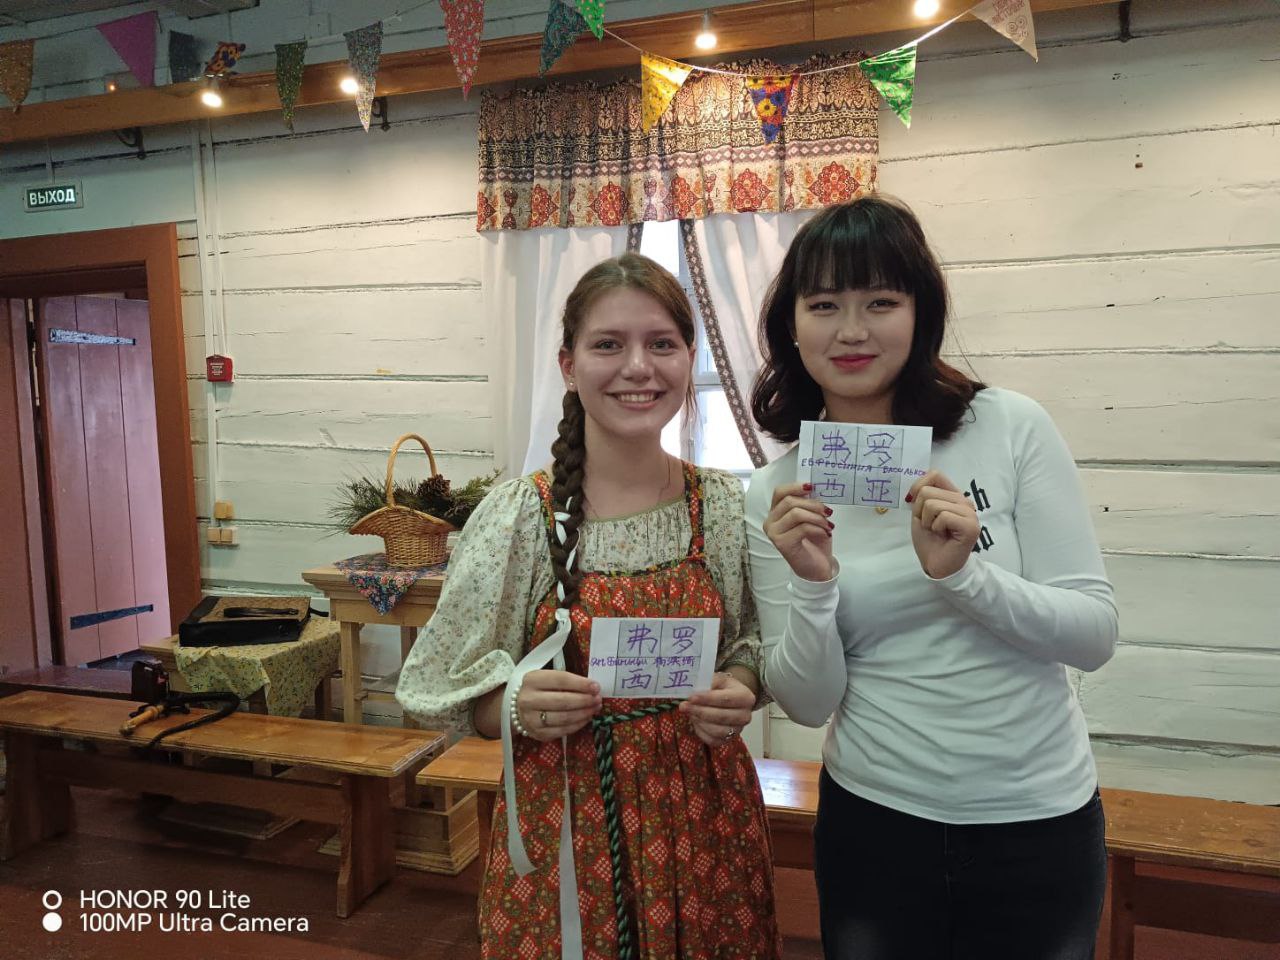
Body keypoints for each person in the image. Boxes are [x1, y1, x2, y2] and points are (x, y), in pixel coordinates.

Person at [745, 196, 1118, 960]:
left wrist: (965, 577)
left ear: (921, 312)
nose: (852, 330)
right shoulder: (778, 492)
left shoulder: (1007, 426)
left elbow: (1094, 634)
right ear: (792, 325)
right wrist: (813, 583)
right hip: (875, 822)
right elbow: (810, 704)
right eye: (825, 305)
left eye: (881, 301)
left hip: (1037, 819)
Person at [397, 252, 781, 960]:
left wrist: (743, 684)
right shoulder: (521, 516)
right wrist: (512, 704)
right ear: (568, 365)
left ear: (688, 357)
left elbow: (753, 642)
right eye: (609, 344)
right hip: (568, 821)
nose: (638, 367)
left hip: (707, 819)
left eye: (661, 343)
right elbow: (438, 683)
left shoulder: (725, 507)